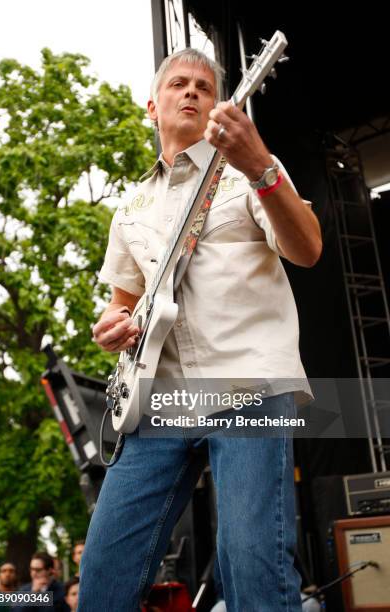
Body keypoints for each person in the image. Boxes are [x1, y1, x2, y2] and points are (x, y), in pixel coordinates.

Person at [79, 48, 322, 611]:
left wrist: (259, 164)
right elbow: (124, 307)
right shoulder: (130, 209)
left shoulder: (247, 172)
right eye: (179, 84)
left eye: (205, 88)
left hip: (247, 385)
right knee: (104, 570)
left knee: (252, 563)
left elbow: (308, 247)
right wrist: (112, 327)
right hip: (158, 401)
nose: (191, 92)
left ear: (217, 107)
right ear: (153, 107)